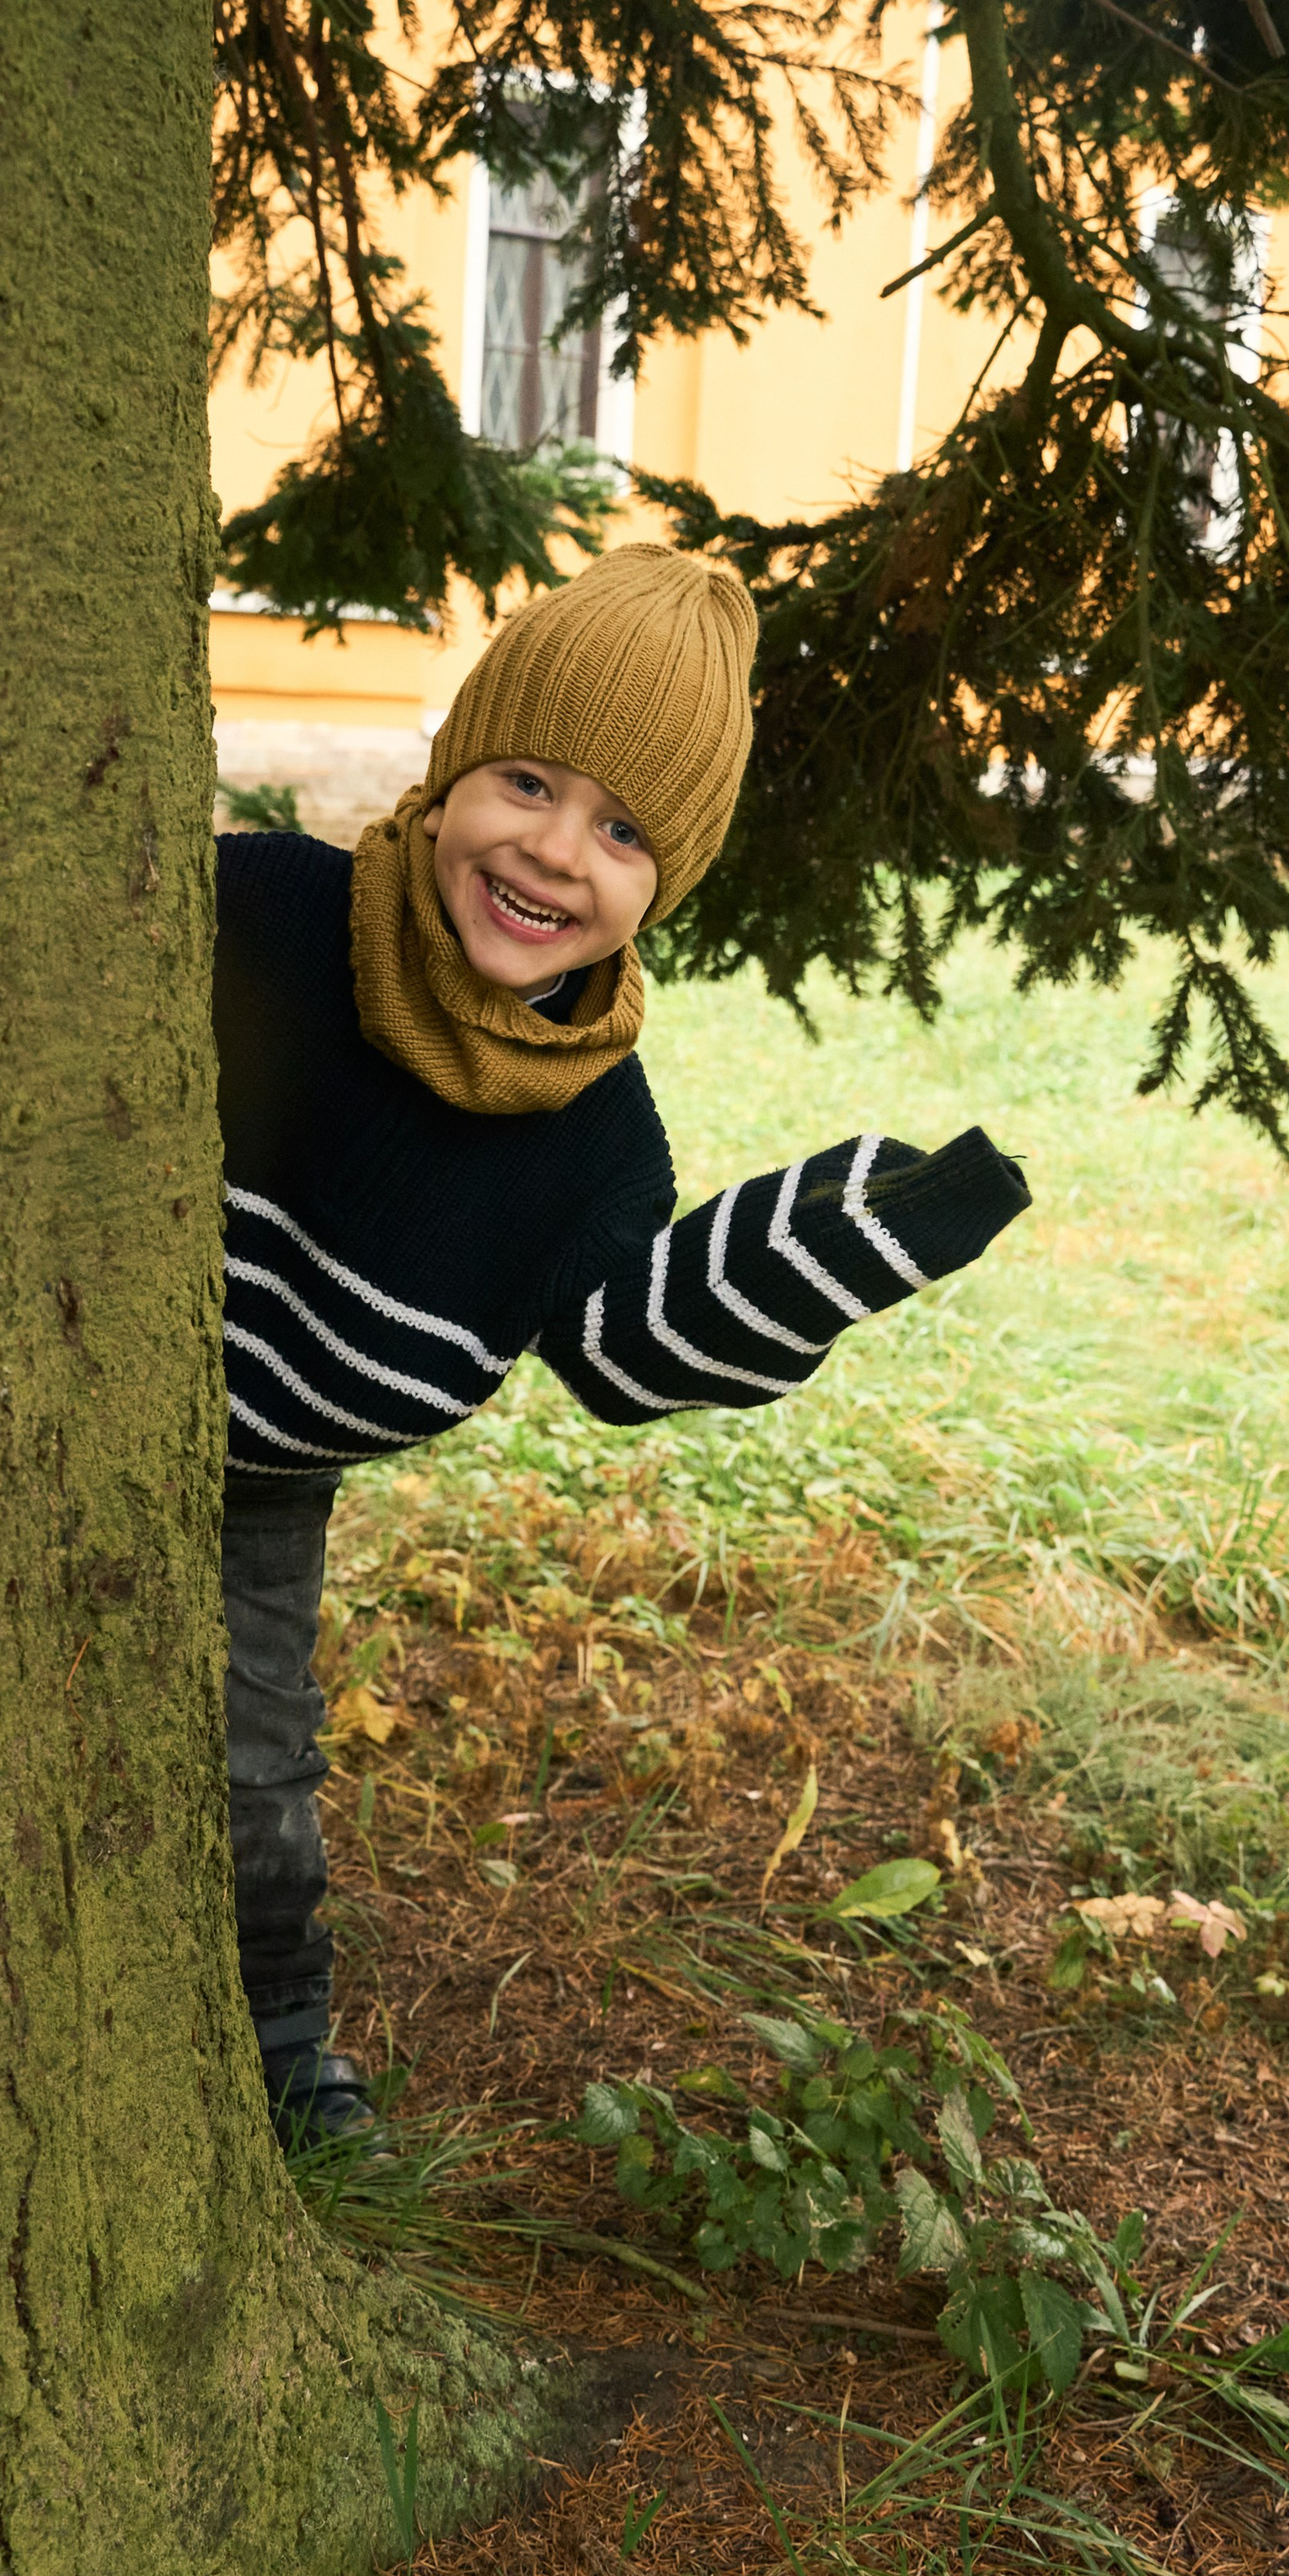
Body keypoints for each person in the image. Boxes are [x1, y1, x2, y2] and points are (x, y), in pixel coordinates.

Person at [215, 542, 1030, 2146]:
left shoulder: (591, 1140)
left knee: (253, 1770)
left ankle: (280, 2038)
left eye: (622, 829)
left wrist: (840, 1248)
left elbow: (625, 1347)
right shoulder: (266, 913)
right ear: (450, 774)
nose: (552, 850)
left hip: (260, 1485)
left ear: (668, 884)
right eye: (525, 781)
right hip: (57, 1417)